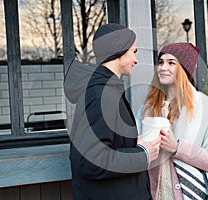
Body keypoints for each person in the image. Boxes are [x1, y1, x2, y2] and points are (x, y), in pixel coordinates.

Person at [64, 23, 161, 200]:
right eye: (133, 52)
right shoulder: (100, 94)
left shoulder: (107, 90)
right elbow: (90, 161)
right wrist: (143, 155)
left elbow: (107, 145)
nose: (136, 60)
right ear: (119, 51)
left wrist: (134, 143)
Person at [136, 42, 208, 200]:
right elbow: (138, 156)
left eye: (171, 63)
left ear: (184, 70)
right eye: (161, 62)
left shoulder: (206, 108)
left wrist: (177, 148)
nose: (162, 67)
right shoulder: (146, 110)